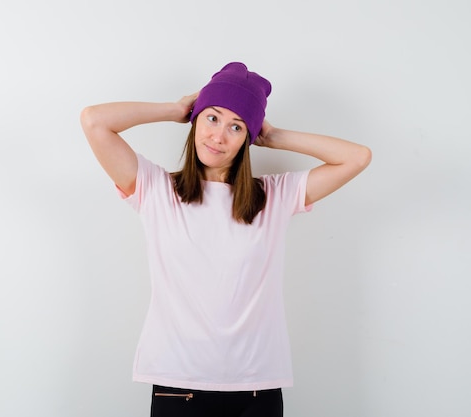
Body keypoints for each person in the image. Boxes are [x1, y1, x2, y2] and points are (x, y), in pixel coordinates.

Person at [80, 62, 371, 417]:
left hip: (256, 389)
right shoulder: (156, 189)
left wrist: (272, 135)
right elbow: (94, 121)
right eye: (212, 118)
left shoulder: (273, 196)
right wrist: (175, 110)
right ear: (196, 119)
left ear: (247, 138)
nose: (219, 136)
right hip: (179, 386)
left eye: (236, 127)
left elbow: (357, 158)